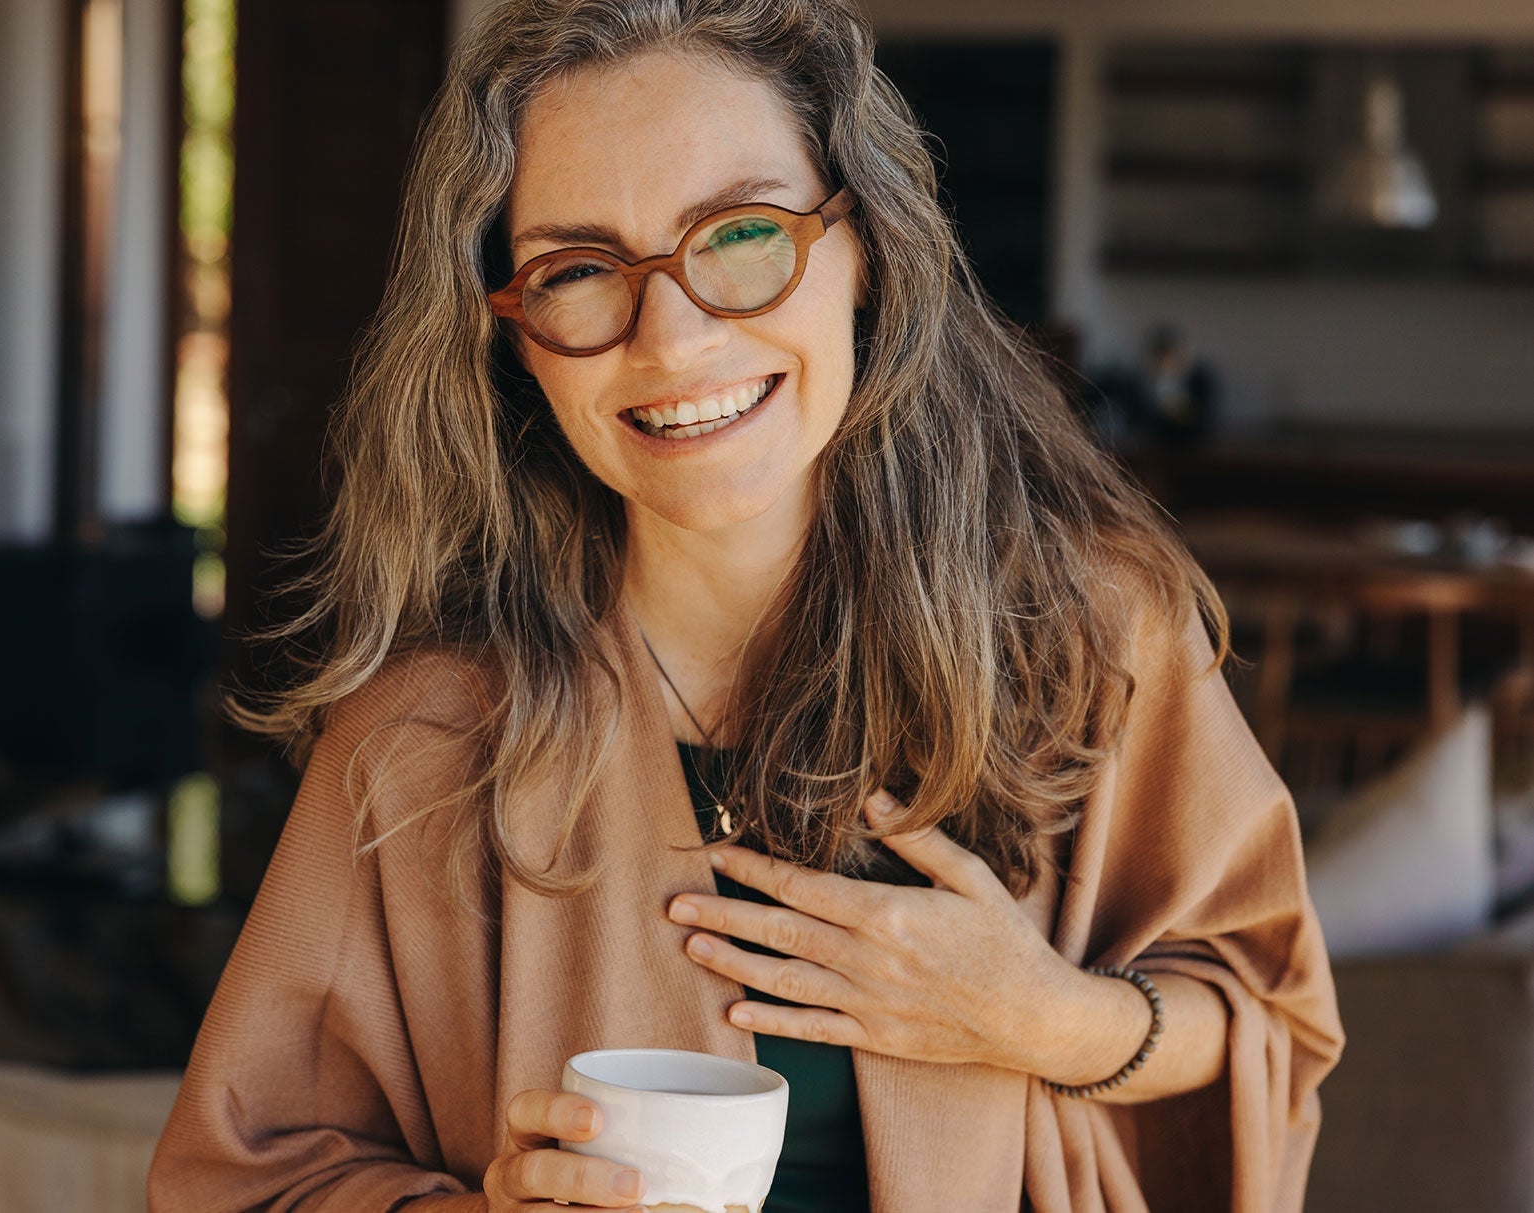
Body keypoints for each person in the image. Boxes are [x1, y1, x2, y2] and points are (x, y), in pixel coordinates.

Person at [148, 1, 1344, 1209]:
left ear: (864, 244)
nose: (671, 339)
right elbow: (239, 1179)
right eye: (575, 271)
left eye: (740, 235)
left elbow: (1263, 1018)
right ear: (511, 336)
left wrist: (1045, 1018)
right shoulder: (421, 741)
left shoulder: (1087, 632)